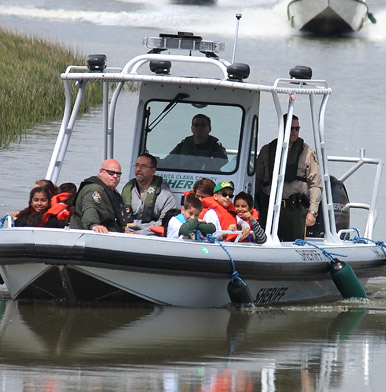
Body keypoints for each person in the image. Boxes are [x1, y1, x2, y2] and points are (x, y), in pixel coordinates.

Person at [255, 114, 323, 241]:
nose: (294, 132)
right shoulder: (267, 150)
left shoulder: (307, 152)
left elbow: (316, 184)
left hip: (295, 211)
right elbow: (257, 181)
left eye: (297, 129)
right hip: (269, 209)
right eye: (291, 128)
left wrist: (312, 212)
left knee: (295, 243)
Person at [121, 153, 176, 235]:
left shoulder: (166, 195)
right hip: (126, 232)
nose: (138, 169)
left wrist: (141, 233)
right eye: (136, 165)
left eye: (143, 166)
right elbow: (118, 216)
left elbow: (166, 223)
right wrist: (124, 230)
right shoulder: (127, 190)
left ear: (153, 171)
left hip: (151, 235)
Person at [70, 159, 129, 233]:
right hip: (87, 235)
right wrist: (93, 225)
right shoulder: (94, 190)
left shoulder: (112, 192)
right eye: (111, 172)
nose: (115, 176)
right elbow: (90, 207)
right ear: (101, 171)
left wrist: (125, 230)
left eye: (118, 174)